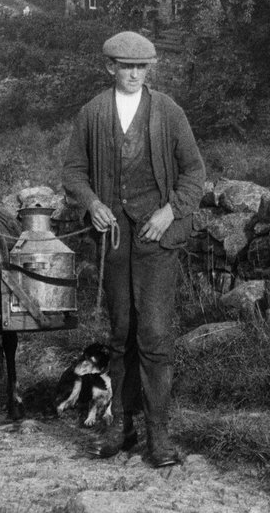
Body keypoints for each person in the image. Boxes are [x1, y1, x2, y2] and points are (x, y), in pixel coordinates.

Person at [62, 30, 205, 468]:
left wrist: (170, 211)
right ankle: (121, 429)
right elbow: (73, 171)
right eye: (127, 67)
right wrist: (92, 203)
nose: (134, 75)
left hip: (157, 241)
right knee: (121, 335)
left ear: (149, 70)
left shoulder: (167, 112)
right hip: (115, 241)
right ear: (111, 68)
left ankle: (158, 438)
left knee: (156, 336)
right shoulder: (93, 113)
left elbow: (194, 172)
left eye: (142, 68)